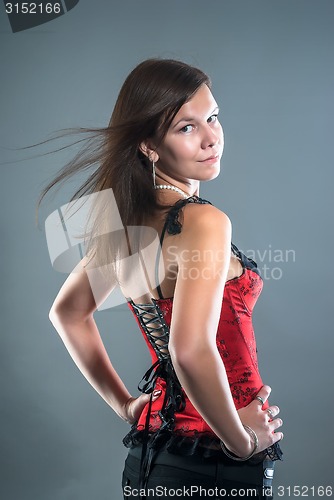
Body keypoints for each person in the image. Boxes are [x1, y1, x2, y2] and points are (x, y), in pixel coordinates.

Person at [43, 59, 283, 499]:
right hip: (213, 464)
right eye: (186, 128)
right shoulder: (205, 222)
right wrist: (242, 442)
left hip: (151, 458)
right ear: (149, 146)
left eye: (212, 117)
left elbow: (68, 313)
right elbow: (188, 351)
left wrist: (126, 405)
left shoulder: (126, 222)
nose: (212, 137)